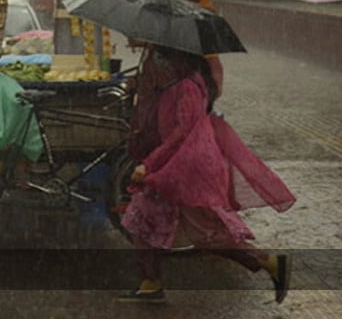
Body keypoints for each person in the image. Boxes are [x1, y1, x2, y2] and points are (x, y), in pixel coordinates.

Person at [120, 45, 296, 304]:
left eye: (158, 60)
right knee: (143, 220)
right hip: (170, 167)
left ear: (174, 58)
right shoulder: (171, 84)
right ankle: (150, 283)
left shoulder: (187, 87)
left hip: (189, 169)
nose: (154, 66)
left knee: (207, 236)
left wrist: (149, 164)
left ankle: (269, 263)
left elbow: (181, 134)